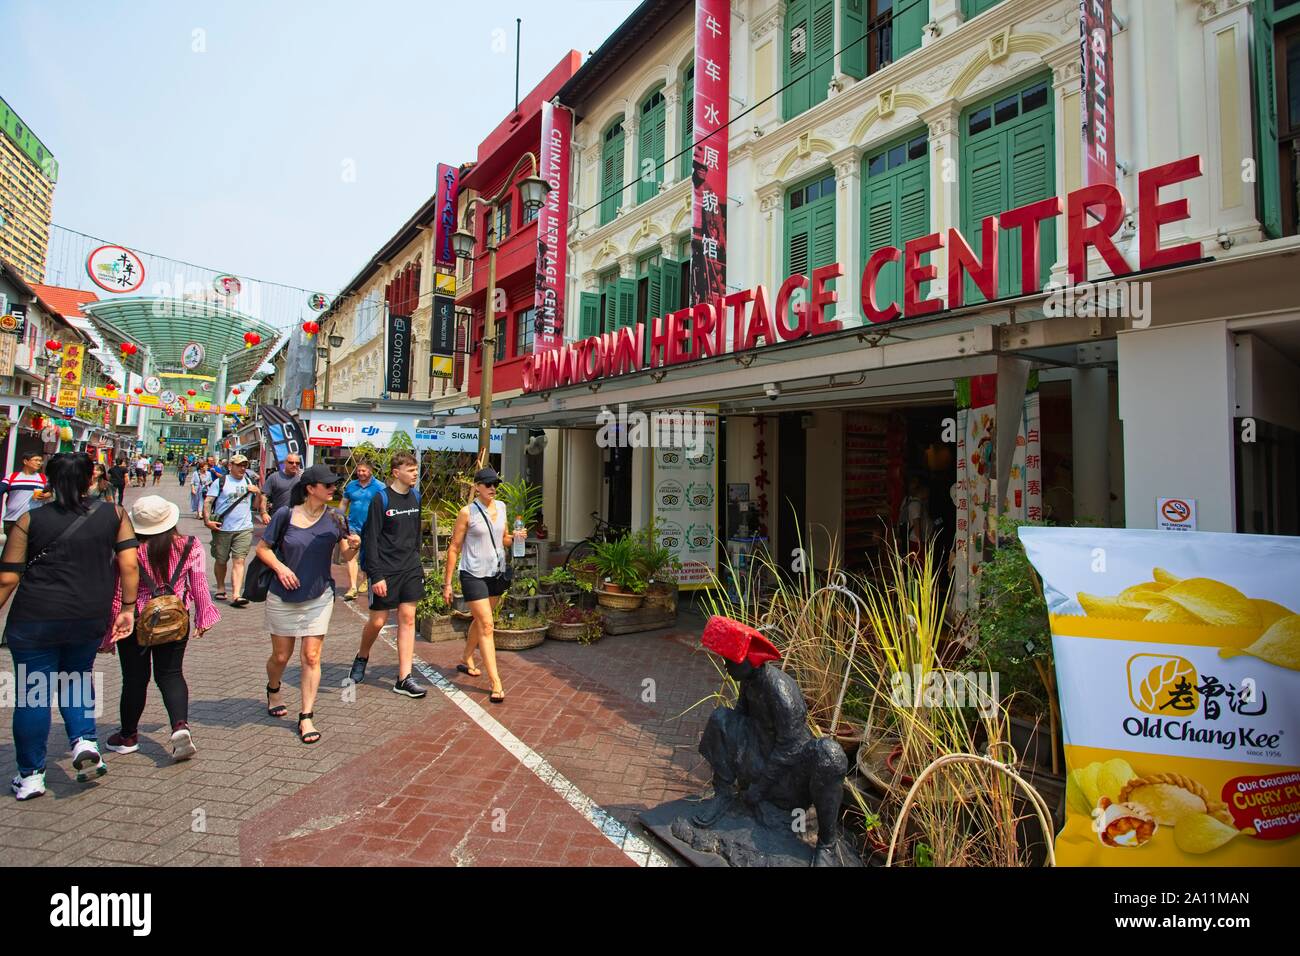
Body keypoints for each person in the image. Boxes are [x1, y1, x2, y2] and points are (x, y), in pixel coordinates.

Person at [0, 452, 139, 800]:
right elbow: (130, 564)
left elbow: (7, 578)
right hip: (88, 614)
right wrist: (128, 608)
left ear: (47, 480)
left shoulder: (30, 520)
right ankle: (83, 741)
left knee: (34, 696)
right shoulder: (114, 514)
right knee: (77, 676)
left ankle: (31, 775)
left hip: (35, 617)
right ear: (90, 479)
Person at [102, 495, 220, 762]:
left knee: (134, 678)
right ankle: (180, 727)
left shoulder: (127, 550)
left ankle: (128, 736)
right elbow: (199, 584)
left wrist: (112, 630)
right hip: (175, 618)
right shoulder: (190, 545)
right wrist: (204, 617)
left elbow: (118, 593)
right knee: (171, 674)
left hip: (136, 620)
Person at [257, 465, 360, 744]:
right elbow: (262, 549)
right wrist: (281, 568)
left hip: (319, 596)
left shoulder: (336, 518)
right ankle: (273, 687)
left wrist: (355, 545)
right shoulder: (285, 515)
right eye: (327, 485)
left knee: (311, 657)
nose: (332, 489)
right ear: (310, 488)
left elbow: (346, 554)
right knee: (281, 656)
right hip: (283, 595)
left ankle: (306, 716)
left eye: (333, 485)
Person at [348, 452, 426, 698]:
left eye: (416, 469)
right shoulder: (380, 499)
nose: (415, 473)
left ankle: (404, 678)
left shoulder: (416, 497)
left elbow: (416, 535)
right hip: (385, 570)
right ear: (396, 472)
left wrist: (417, 562)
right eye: (410, 469)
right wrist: (376, 574)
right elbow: (370, 540)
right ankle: (362, 656)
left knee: (408, 618)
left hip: (410, 568)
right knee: (378, 621)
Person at [443, 467, 513, 704]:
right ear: (477, 486)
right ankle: (496, 683)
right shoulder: (467, 512)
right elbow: (454, 547)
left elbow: (504, 538)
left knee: (482, 621)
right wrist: (447, 583)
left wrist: (516, 538)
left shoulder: (502, 507)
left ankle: (465, 657)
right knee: (487, 625)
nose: (492, 488)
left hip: (496, 573)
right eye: (487, 484)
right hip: (472, 574)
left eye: (495, 484)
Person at [203, 453, 263, 607]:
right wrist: (207, 521)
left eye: (245, 465)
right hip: (223, 528)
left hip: (244, 528)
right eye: (239, 465)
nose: (242, 468)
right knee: (221, 560)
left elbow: (255, 506)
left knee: (239, 560)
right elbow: (208, 501)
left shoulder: (250, 481)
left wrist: (257, 493)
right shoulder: (221, 482)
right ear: (231, 466)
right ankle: (221, 587)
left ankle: (236, 594)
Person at [340, 460, 382, 601]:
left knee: (368, 556)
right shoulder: (351, 486)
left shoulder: (379, 487)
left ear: (370, 471)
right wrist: (339, 519)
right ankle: (352, 587)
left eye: (363, 471)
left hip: (371, 527)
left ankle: (366, 577)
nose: (360, 473)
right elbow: (344, 503)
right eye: (358, 470)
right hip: (353, 527)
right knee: (351, 557)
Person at [1, 453, 52, 536]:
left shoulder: (43, 478)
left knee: (31, 547)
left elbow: (50, 492)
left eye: (40, 461)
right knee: (11, 547)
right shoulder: (12, 477)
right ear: (25, 461)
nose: (39, 463)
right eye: (36, 460)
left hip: (34, 519)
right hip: (13, 519)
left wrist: (47, 495)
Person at [260, 453, 303, 523]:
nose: (294, 465)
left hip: (297, 519)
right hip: (278, 518)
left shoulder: (302, 478)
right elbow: (264, 496)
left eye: (297, 463)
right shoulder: (274, 477)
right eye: (291, 462)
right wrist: (264, 513)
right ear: (285, 463)